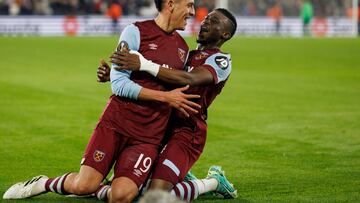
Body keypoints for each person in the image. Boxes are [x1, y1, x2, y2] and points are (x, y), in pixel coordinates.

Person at [3, 0, 197, 203]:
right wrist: (165, 97)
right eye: (189, 5)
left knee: (121, 197)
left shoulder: (183, 49)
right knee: (83, 185)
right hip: (116, 123)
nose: (192, 12)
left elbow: (169, 81)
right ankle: (43, 183)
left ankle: (106, 188)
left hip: (148, 136)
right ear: (171, 4)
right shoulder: (136, 32)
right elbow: (120, 85)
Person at [99, 8, 238, 202]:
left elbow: (188, 78)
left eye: (213, 21)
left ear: (225, 34)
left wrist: (144, 64)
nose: (205, 22)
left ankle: (213, 182)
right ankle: (176, 173)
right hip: (159, 127)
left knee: (154, 197)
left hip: (187, 132)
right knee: (126, 187)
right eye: (205, 19)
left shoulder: (220, 60)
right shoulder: (186, 55)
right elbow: (161, 79)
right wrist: (112, 76)